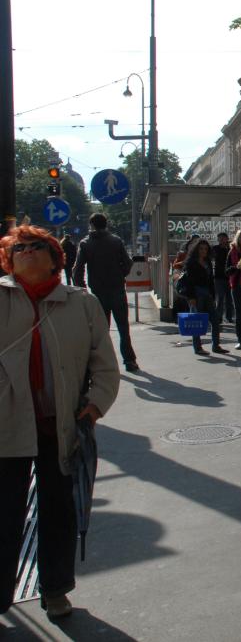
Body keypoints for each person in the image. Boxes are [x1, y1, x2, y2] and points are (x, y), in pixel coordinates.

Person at [0, 225, 120, 619]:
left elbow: (104, 365)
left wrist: (93, 408)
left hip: (62, 425)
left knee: (59, 510)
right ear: (9, 258)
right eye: (20, 247)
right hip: (5, 429)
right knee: (4, 513)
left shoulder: (81, 304)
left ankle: (55, 589)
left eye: (38, 247)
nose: (28, 252)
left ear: (55, 257)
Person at [73, 213, 139, 372]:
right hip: (117, 289)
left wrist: (82, 288)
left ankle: (103, 363)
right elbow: (128, 263)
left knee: (101, 330)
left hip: (97, 291)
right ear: (106, 224)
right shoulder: (116, 241)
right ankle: (129, 360)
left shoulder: (85, 244)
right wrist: (120, 274)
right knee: (123, 327)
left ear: (92, 225)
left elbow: (77, 270)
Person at [178, 239, 229, 356]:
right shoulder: (191, 263)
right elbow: (189, 282)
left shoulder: (208, 262)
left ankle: (216, 345)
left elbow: (211, 280)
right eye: (201, 248)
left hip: (208, 294)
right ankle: (198, 347)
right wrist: (191, 297)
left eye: (205, 249)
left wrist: (213, 294)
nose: (203, 251)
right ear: (196, 249)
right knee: (196, 321)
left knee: (215, 320)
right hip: (196, 294)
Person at [211, 232, 234, 323]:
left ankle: (229, 316)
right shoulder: (215, 249)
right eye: (219, 239)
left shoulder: (231, 248)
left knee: (229, 298)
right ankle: (219, 316)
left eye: (222, 238)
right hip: (219, 276)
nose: (220, 240)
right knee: (220, 297)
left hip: (229, 276)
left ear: (226, 238)